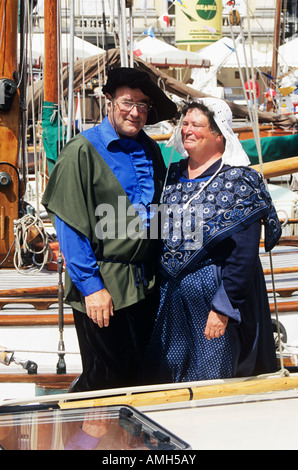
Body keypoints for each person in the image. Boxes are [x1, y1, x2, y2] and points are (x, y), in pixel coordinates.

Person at [42, 67, 177, 392]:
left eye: (143, 105)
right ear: (108, 101)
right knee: (104, 384)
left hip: (147, 288)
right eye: (128, 102)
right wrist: (91, 288)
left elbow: (158, 215)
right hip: (105, 288)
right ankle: (81, 443)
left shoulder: (150, 150)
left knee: (142, 381)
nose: (136, 112)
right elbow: (70, 226)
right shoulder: (81, 151)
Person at [139, 98, 281, 384]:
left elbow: (243, 255)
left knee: (213, 376)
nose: (187, 130)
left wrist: (223, 308)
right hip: (171, 297)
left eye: (197, 125)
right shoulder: (172, 175)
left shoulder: (239, 180)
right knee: (166, 376)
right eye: (185, 124)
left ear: (219, 134)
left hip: (214, 298)